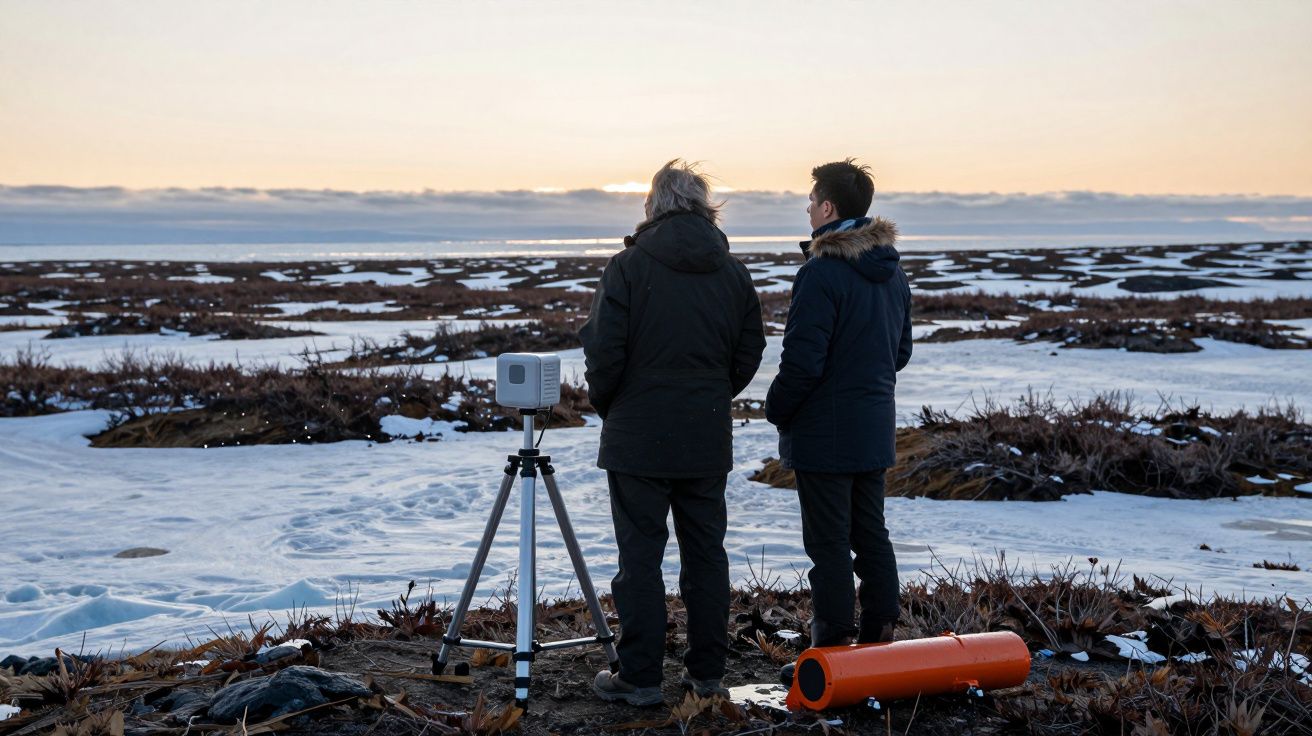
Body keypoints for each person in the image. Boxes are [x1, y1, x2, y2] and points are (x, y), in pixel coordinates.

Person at [581, 159, 766, 706]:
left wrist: (615, 406)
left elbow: (603, 353)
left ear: (653, 206)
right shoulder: (732, 272)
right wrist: (712, 393)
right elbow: (749, 350)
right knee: (706, 554)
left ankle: (639, 678)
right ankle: (707, 675)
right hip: (704, 435)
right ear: (705, 207)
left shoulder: (628, 267)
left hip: (637, 435)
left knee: (639, 558)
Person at [765, 159, 912, 682]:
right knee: (871, 533)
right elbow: (900, 353)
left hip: (824, 434)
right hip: (873, 426)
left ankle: (828, 653)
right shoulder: (891, 271)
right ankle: (879, 641)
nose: (806, 209)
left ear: (828, 208)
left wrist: (776, 408)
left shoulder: (821, 273)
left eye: (810, 201)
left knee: (828, 543)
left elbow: (803, 362)